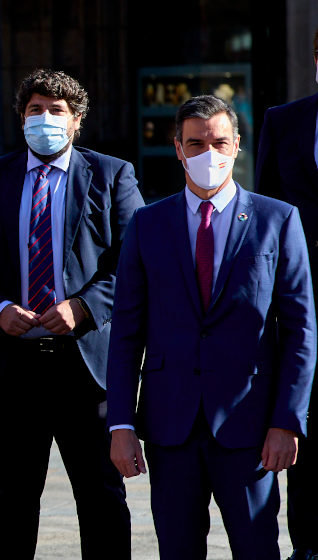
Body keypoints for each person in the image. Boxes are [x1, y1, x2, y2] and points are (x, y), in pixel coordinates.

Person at [0, 68, 142, 559]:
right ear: (21, 118)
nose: (45, 119)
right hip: (11, 368)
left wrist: (85, 306)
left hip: (88, 369)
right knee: (10, 502)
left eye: (57, 111)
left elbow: (136, 260)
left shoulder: (112, 174)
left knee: (101, 497)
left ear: (76, 121)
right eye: (35, 110)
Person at [108, 95, 316, 559]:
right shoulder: (147, 224)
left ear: (237, 145)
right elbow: (125, 332)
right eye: (196, 143)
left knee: (257, 549)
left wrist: (287, 420)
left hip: (251, 425)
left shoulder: (277, 220)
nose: (209, 153)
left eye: (219, 142)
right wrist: (121, 422)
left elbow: (302, 330)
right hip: (170, 425)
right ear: (178, 149)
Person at [254, 30, 318, 560]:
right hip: (302, 302)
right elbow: (270, 217)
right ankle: (309, 546)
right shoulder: (285, 120)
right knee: (304, 425)